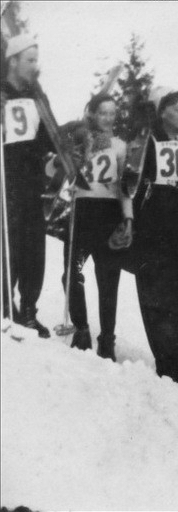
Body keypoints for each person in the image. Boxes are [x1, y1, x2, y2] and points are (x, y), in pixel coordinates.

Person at [129, 86, 178, 382]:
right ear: (162, 111)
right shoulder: (148, 141)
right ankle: (165, 358)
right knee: (155, 291)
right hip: (154, 225)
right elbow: (137, 183)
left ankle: (176, 358)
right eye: (176, 108)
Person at [59, 94, 133, 359]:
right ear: (91, 114)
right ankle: (81, 329)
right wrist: (77, 147)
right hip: (82, 213)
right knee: (72, 272)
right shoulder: (79, 141)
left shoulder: (120, 146)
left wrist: (127, 218)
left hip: (108, 214)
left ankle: (107, 339)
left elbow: (125, 188)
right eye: (103, 113)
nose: (109, 118)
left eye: (112, 113)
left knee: (108, 277)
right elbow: (60, 169)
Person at [1, 33, 53, 337]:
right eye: (30, 60)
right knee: (10, 244)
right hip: (5, 179)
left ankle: (29, 309)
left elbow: (49, 138)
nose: (35, 66)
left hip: (31, 181)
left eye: (37, 60)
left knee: (34, 245)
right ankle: (6, 305)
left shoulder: (37, 97)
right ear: (13, 60)